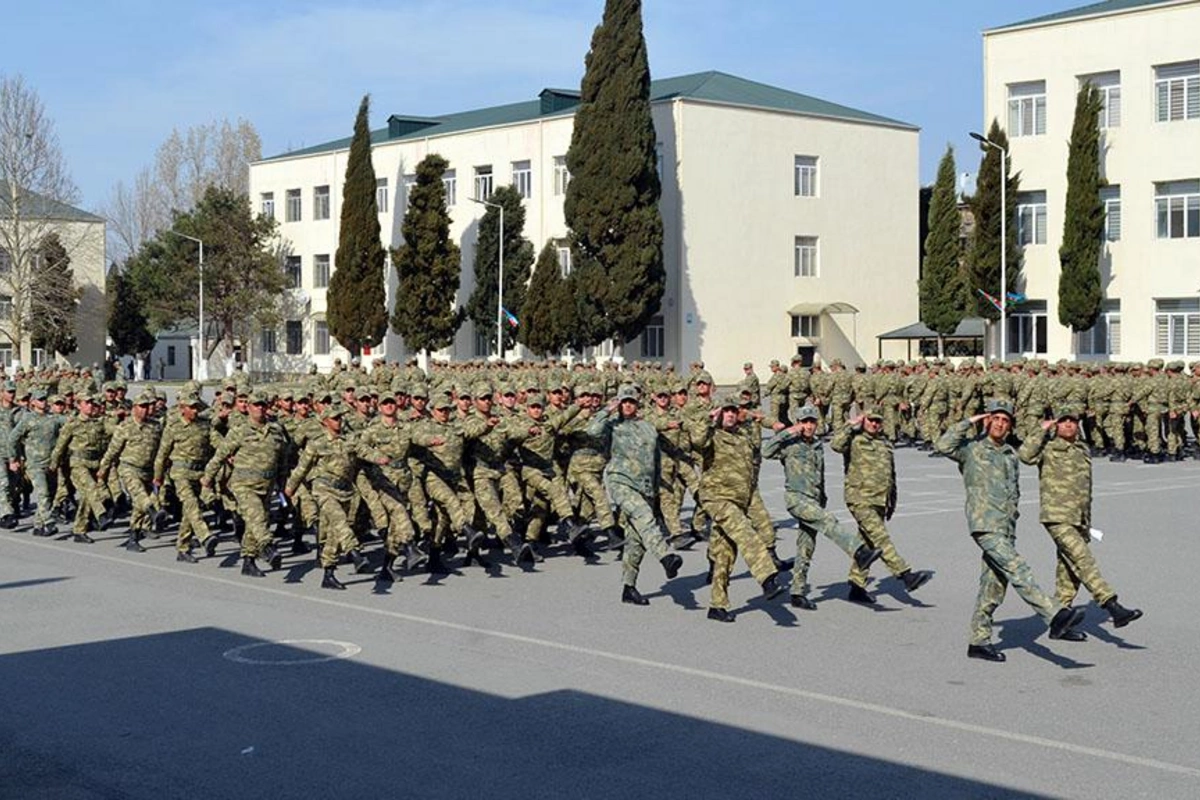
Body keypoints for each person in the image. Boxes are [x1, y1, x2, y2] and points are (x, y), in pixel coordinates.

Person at [936, 399, 1087, 662]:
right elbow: (942, 445)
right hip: (984, 525)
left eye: (1005, 421)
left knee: (993, 586)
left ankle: (978, 640)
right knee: (1019, 569)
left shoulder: (1009, 454)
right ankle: (1054, 614)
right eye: (996, 418)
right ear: (987, 421)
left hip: (1005, 527)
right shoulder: (971, 449)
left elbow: (1012, 493)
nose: (1000, 424)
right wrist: (969, 421)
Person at [1017, 406, 1143, 635]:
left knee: (1069, 570)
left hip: (1079, 517)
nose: (1068, 425)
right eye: (1063, 421)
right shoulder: (1048, 447)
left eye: (1072, 421)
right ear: (1056, 424)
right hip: (1057, 516)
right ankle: (1112, 605)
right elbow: (1024, 455)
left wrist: (1086, 521)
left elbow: (1085, 489)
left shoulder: (1082, 449)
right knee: (1083, 560)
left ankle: (1060, 621)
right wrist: (1040, 429)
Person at [762, 405, 881, 609]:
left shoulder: (817, 445)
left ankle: (797, 592)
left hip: (814, 499)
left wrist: (822, 497)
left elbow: (820, 474)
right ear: (798, 423)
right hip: (796, 499)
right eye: (804, 422)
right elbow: (766, 451)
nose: (808, 426)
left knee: (806, 546)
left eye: (812, 422)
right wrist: (786, 433)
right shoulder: (790, 443)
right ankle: (859, 552)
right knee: (828, 520)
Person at [586, 384, 682, 605]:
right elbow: (592, 431)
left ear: (637, 404)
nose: (627, 405)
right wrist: (606, 410)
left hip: (645, 487)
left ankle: (629, 587)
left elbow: (655, 460)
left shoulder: (647, 427)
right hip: (621, 482)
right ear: (619, 403)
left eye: (631, 401)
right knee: (644, 518)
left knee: (635, 540)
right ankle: (666, 557)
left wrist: (656, 491)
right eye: (624, 401)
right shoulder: (612, 425)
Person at [831, 406, 932, 604]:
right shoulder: (855, 440)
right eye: (871, 420)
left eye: (878, 421)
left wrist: (891, 501)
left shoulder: (885, 444)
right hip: (860, 498)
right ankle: (905, 575)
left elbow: (890, 476)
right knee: (880, 539)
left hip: (879, 500)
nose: (874, 424)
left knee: (869, 542)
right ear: (864, 421)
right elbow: (836, 444)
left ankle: (856, 586)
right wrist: (851, 426)